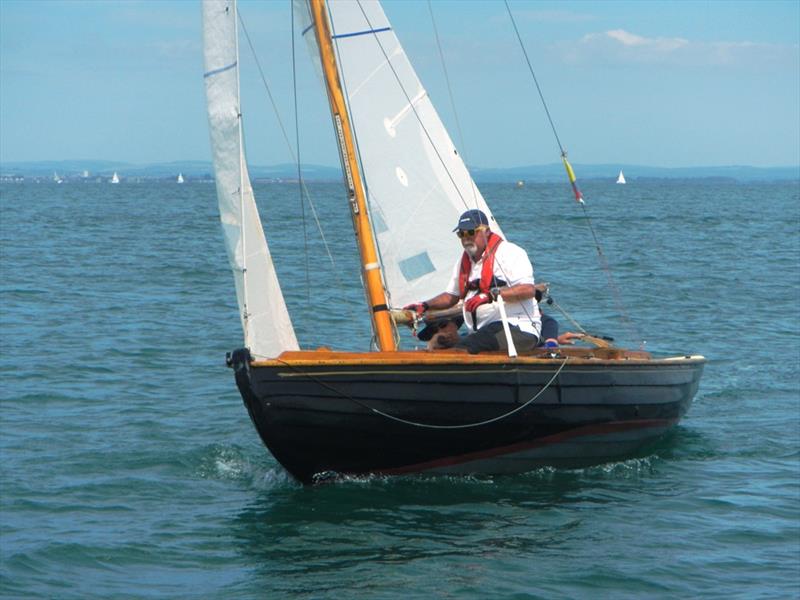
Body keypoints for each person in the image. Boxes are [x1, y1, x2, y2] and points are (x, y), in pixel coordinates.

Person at [404, 209, 541, 354]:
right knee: (439, 344)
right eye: (461, 234)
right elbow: (451, 296)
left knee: (464, 347)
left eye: (471, 232)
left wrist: (490, 295)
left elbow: (527, 290)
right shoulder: (463, 263)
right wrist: (424, 305)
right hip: (482, 331)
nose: (466, 238)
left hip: (517, 327)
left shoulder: (510, 253)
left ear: (486, 231)